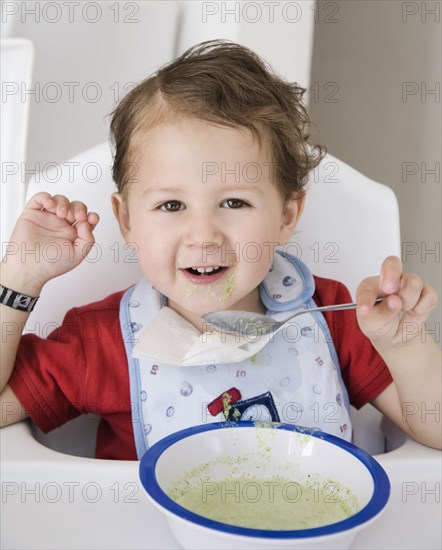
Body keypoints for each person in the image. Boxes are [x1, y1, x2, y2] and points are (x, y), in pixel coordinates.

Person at [0, 41, 440, 460]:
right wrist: (18, 280)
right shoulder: (102, 342)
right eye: (171, 205)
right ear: (128, 220)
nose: (203, 235)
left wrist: (402, 342)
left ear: (287, 216)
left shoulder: (331, 317)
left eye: (234, 203)